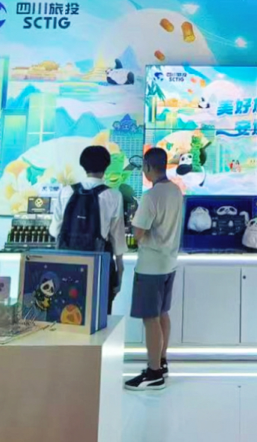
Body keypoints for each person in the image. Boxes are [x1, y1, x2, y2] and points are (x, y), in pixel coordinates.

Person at [125, 147, 184, 392]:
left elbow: (138, 232)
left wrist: (132, 224)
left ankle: (154, 372)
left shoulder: (151, 196)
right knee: (162, 314)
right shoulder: (176, 191)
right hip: (169, 263)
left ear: (148, 167)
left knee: (150, 319)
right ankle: (161, 361)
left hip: (150, 266)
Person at [50, 146, 126, 314]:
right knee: (99, 315)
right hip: (99, 266)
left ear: (82, 165)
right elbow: (118, 239)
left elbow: (55, 232)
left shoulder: (66, 191)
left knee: (67, 313)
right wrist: (119, 273)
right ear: (106, 166)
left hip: (68, 266)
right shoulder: (113, 195)